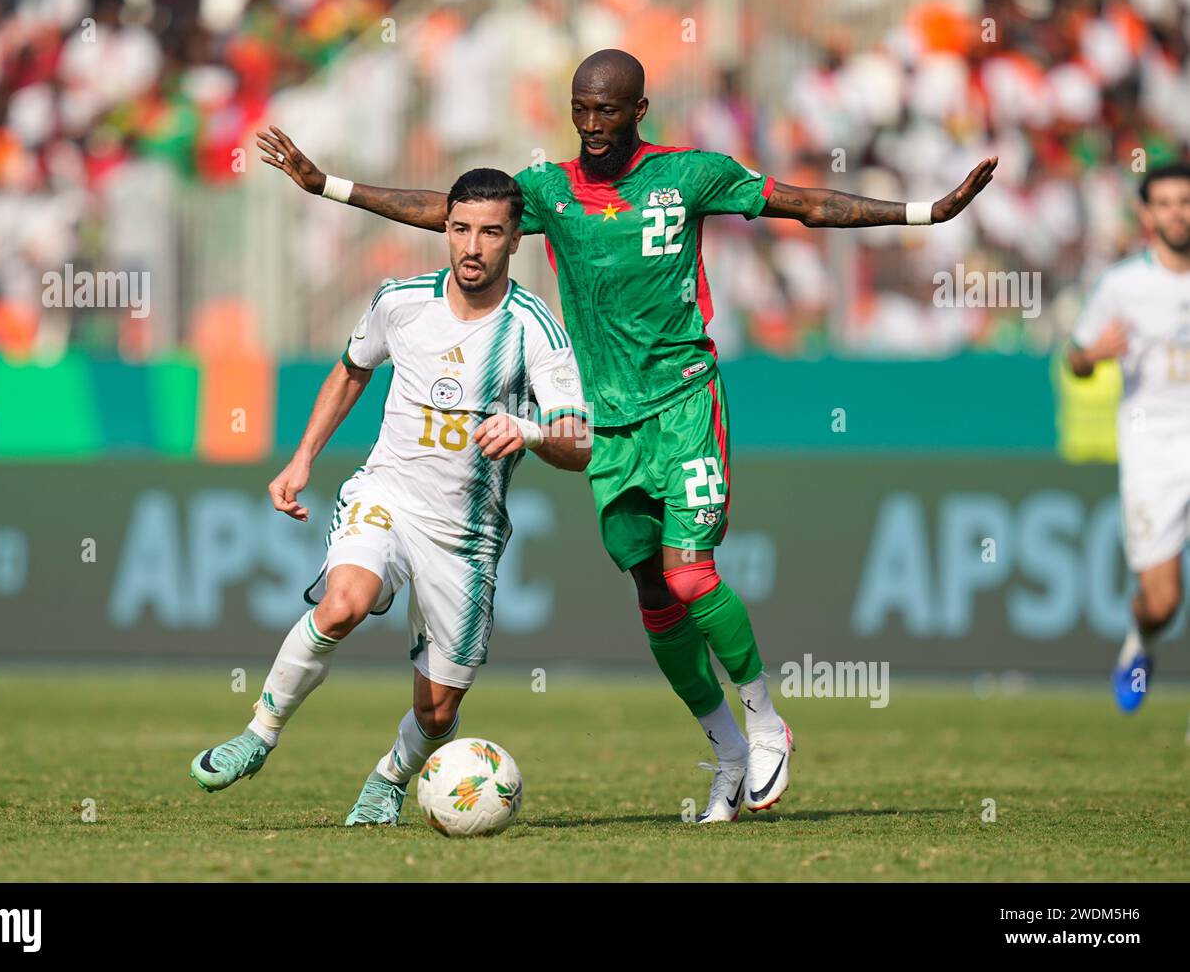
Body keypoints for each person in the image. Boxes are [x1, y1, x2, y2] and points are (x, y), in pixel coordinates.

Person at [258, 49, 996, 822]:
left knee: (689, 575)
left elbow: (806, 205)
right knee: (651, 588)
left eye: (606, 110)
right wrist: (328, 185)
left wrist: (925, 214)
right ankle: (727, 752)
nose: (591, 125)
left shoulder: (691, 175)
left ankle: (767, 719)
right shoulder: (547, 191)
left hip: (683, 402)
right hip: (607, 425)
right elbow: (447, 207)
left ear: (639, 110)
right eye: (580, 109)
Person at [190, 168, 590, 825]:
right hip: (388, 495)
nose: (472, 246)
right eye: (460, 229)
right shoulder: (399, 302)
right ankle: (259, 733)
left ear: (516, 239)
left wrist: (530, 430)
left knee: (437, 710)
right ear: (444, 228)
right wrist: (302, 458)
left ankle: (389, 777)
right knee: (343, 602)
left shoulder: (533, 329)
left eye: (491, 232)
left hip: (465, 537)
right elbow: (352, 371)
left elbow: (580, 443)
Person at [1069, 162, 1190, 713]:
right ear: (1146, 214)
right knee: (1163, 602)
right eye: (1164, 203)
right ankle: (1140, 640)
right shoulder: (1122, 285)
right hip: (1153, 447)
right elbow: (1076, 358)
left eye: (1184, 201)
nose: (1176, 212)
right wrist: (1093, 355)